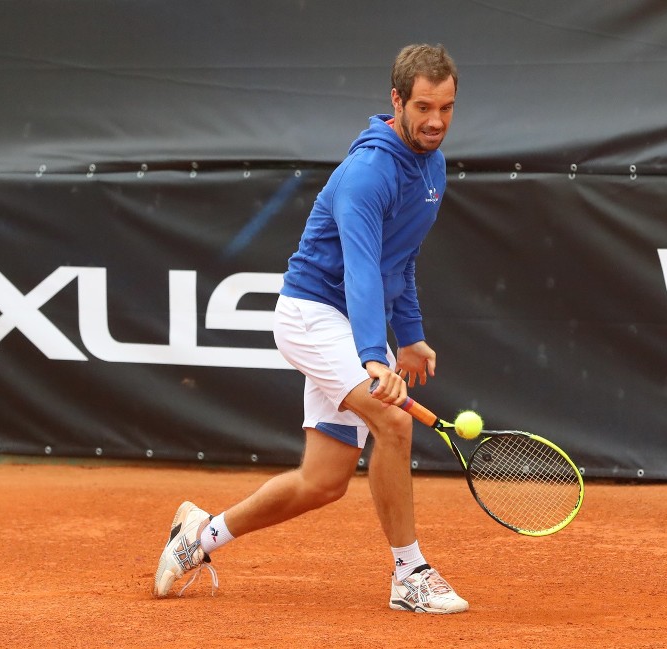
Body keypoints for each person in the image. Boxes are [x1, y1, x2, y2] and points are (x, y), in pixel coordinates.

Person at [153, 43, 466, 613]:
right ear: (395, 100)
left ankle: (199, 537)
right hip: (313, 315)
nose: (436, 121)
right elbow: (363, 268)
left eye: (446, 107)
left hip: (349, 323)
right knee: (394, 424)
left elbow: (401, 257)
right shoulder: (369, 174)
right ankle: (410, 575)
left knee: (322, 482)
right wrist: (376, 354)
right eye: (423, 106)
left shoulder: (432, 164)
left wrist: (411, 334)